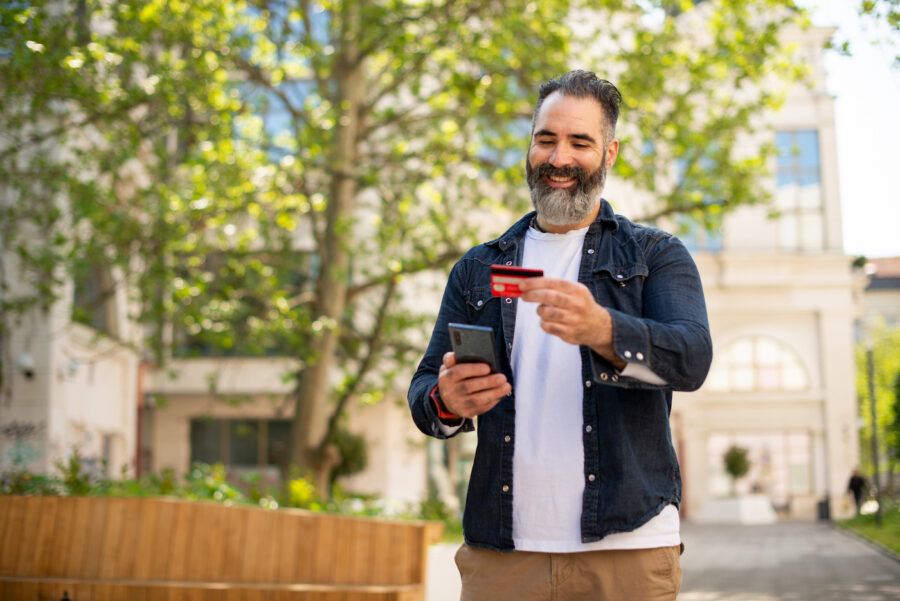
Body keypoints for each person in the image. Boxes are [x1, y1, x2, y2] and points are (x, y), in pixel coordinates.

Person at [408, 70, 712, 601]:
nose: (559, 158)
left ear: (609, 153)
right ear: (530, 145)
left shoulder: (654, 256)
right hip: (502, 555)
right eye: (546, 139)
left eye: (580, 142)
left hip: (628, 550)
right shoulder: (479, 268)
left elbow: (689, 363)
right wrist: (446, 401)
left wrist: (606, 331)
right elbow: (425, 391)